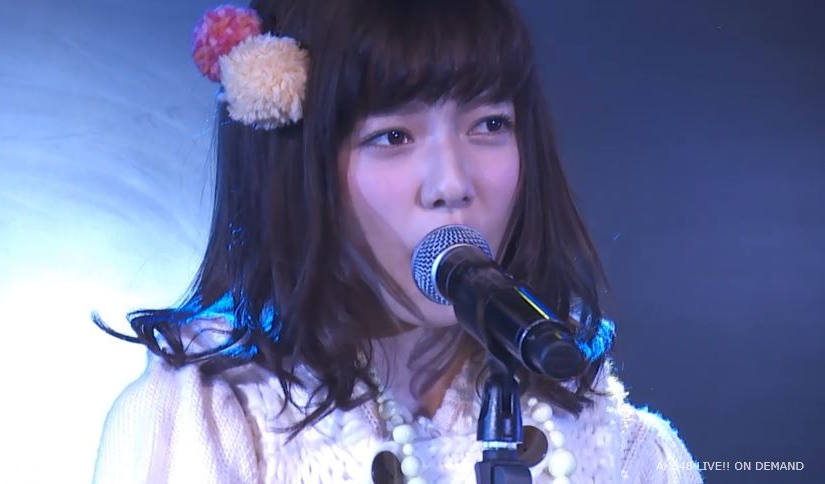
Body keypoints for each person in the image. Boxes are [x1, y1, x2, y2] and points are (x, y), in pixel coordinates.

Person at [92, 0, 702, 482]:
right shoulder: (206, 423)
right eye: (392, 137)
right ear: (298, 169)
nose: (452, 184)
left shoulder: (624, 449)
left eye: (490, 124)